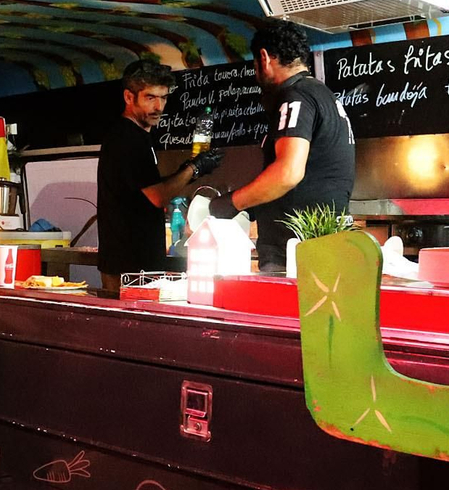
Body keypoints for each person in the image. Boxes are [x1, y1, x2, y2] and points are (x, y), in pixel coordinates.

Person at [209, 22, 356, 271]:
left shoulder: (295, 97)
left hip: (296, 252)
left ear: (264, 58)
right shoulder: (323, 95)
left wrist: (231, 203)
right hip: (320, 244)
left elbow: (288, 173)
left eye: (255, 65)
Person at [96, 60, 223, 295]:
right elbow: (157, 196)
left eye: (163, 98)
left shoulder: (141, 137)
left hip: (137, 262)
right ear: (128, 97)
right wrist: (194, 168)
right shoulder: (126, 139)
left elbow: (148, 187)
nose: (158, 106)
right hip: (128, 265)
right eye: (150, 98)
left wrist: (191, 168)